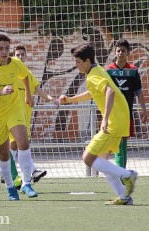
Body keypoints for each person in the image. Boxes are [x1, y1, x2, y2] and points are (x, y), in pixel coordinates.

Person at [59, 43, 138, 205]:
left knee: (88, 158)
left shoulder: (94, 75)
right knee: (103, 161)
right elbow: (94, 92)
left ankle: (127, 174)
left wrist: (105, 119)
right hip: (120, 119)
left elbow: (109, 91)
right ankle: (123, 197)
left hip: (113, 122)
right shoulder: (97, 70)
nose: (76, 65)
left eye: (78, 61)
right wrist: (70, 99)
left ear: (87, 61)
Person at [0, 34, 38, 200]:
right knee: (3, 154)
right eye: (0, 48)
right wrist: (0, 92)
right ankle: (10, 188)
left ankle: (26, 183)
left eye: (7, 48)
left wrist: (28, 96)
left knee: (23, 141)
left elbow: (25, 76)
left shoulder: (16, 63)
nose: (4, 52)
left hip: (14, 107)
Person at [7, 45, 59, 187]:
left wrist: (51, 98)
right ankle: (31, 173)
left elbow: (39, 90)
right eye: (17, 54)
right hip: (12, 114)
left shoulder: (28, 74)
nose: (20, 57)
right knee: (21, 143)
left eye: (22, 54)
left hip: (25, 114)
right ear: (13, 56)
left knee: (15, 144)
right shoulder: (10, 73)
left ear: (26, 56)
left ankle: (7, 173)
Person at [106, 38, 147, 168]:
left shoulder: (133, 71)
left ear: (128, 53)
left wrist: (144, 110)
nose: (120, 53)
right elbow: (105, 92)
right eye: (118, 51)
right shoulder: (109, 71)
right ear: (115, 53)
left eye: (123, 51)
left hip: (126, 113)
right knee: (114, 143)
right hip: (113, 114)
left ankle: (121, 170)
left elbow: (139, 92)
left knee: (123, 142)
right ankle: (119, 172)